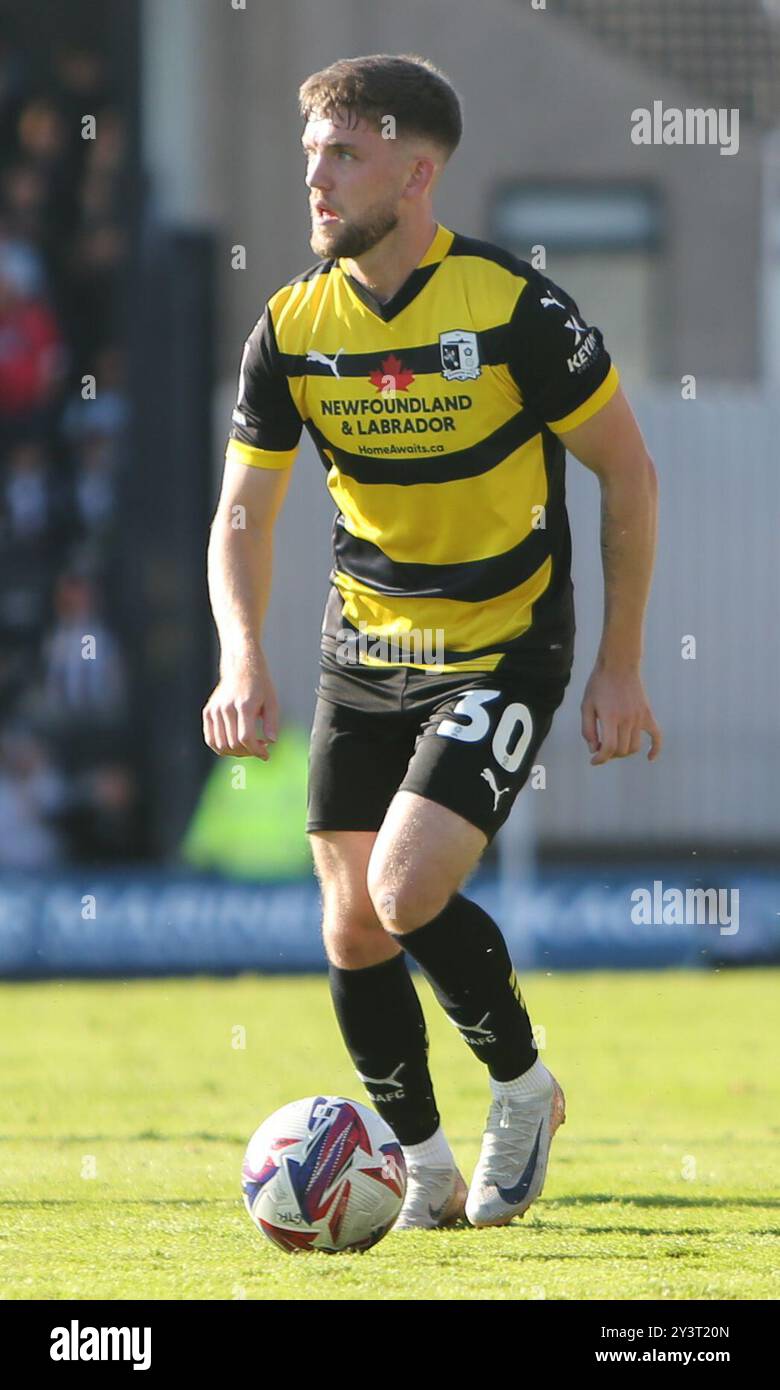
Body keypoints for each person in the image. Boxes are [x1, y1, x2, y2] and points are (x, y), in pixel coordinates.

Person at [203, 54, 662, 1231]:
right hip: (366, 645)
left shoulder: (515, 307)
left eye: (343, 156)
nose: (316, 181)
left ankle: (525, 1086)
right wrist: (240, 656)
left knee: (407, 889)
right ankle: (425, 1167)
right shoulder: (293, 327)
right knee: (352, 916)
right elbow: (241, 517)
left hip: (504, 641)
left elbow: (627, 471)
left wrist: (621, 662)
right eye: (310, 157)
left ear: (417, 171)